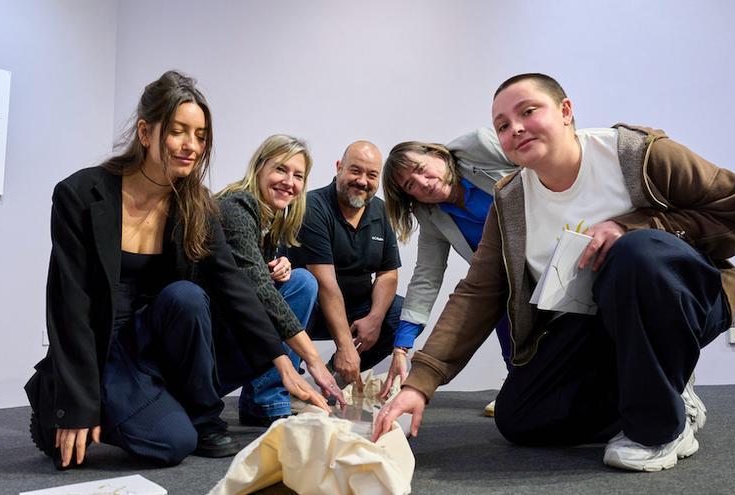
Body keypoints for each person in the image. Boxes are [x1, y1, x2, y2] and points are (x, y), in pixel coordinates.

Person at [374, 73, 735, 473]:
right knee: (520, 418)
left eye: (528, 111)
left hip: (686, 297)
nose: (516, 128)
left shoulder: (637, 153)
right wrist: (420, 384)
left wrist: (636, 226)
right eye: (503, 125)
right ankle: (668, 391)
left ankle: (657, 428)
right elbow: (477, 293)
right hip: (589, 322)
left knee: (632, 253)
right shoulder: (510, 201)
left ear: (565, 111)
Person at [25, 71, 330, 470]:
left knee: (186, 297)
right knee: (172, 444)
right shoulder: (80, 194)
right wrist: (76, 407)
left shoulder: (196, 203)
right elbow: (70, 306)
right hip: (105, 351)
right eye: (178, 131)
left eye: (200, 136)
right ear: (146, 132)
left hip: (155, 346)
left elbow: (233, 285)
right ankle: (63, 403)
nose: (191, 146)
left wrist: (285, 360)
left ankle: (172, 410)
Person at [380, 131, 519, 411]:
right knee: (494, 300)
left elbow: (542, 162)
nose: (422, 183)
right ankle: (518, 382)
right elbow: (426, 276)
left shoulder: (480, 148)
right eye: (410, 185)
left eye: (420, 169)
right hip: (505, 282)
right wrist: (401, 346)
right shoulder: (432, 216)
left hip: (551, 250)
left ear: (438, 155)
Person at [215, 135, 345, 427]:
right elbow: (256, 289)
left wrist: (277, 265)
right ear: (260, 167)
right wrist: (313, 360)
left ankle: (268, 399)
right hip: (206, 339)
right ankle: (268, 393)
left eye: (298, 175)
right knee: (303, 283)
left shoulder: (271, 219)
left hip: (232, 326)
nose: (289, 181)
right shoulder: (238, 205)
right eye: (280, 170)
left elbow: (252, 275)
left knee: (302, 280)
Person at [288, 141, 404, 388]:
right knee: (303, 288)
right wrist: (344, 345)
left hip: (355, 310)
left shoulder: (381, 211)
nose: (362, 180)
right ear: (339, 168)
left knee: (400, 312)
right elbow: (325, 283)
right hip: (309, 310)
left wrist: (374, 318)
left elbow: (388, 274)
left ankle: (334, 381)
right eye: (355, 170)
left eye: (371, 175)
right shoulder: (312, 206)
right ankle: (284, 387)